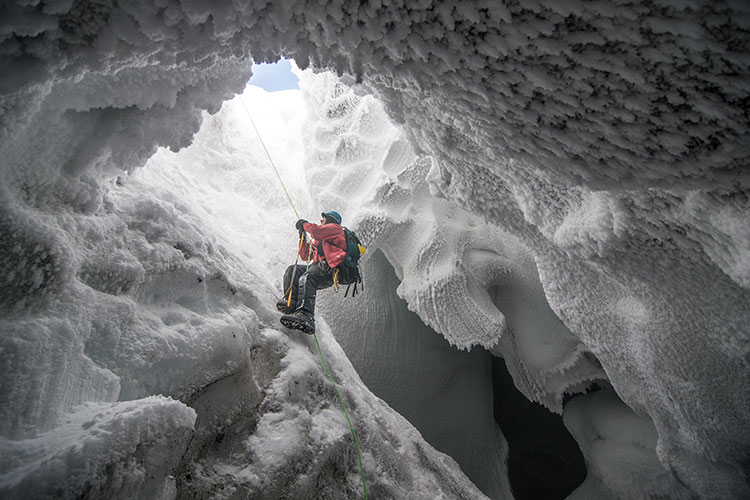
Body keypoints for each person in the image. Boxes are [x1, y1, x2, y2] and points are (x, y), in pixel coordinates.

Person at [277, 210, 347, 334]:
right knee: (293, 270)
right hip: (319, 268)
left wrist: (305, 224)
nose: (321, 220)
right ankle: (291, 303)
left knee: (308, 276)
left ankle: (306, 316)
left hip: (329, 270)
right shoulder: (321, 240)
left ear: (330, 219)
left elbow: (316, 231)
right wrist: (302, 236)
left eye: (323, 218)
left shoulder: (336, 229)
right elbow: (305, 255)